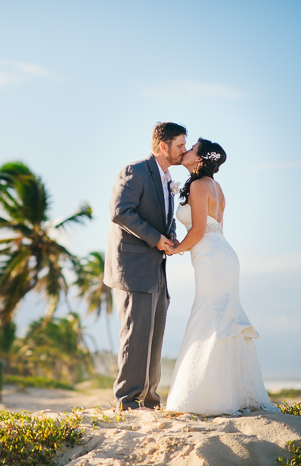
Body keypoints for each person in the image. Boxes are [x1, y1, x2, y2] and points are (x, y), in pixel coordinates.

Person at [164, 138, 277, 416]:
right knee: (221, 318)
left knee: (210, 317)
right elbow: (211, 226)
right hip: (221, 254)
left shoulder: (201, 185)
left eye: (191, 149)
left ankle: (209, 396)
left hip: (212, 257)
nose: (186, 150)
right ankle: (229, 392)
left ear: (200, 159)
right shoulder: (213, 186)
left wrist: (176, 248)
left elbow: (200, 230)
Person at [104, 122, 187, 411]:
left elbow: (163, 216)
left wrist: (170, 234)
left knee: (154, 335)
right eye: (179, 145)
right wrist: (156, 239)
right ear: (163, 146)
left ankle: (150, 400)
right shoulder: (135, 171)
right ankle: (127, 401)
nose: (184, 151)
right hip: (133, 266)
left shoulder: (167, 180)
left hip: (157, 269)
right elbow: (120, 212)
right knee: (135, 335)